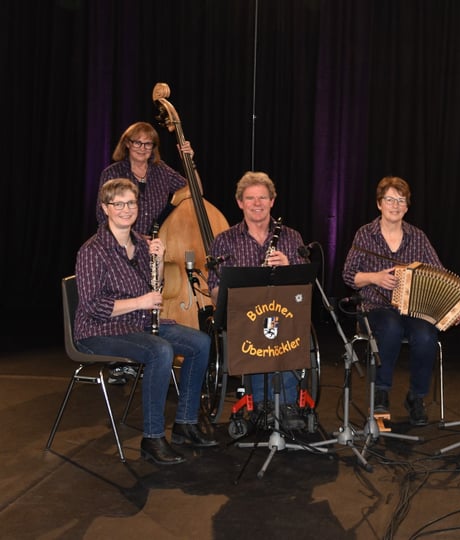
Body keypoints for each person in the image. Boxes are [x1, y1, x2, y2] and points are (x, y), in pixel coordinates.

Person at [74, 178, 217, 466]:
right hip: (98, 330)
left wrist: (160, 259)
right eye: (119, 204)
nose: (126, 209)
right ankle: (152, 439)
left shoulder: (141, 242)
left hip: (137, 322)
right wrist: (141, 304)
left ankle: (185, 423)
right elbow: (93, 307)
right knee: (160, 350)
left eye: (132, 203)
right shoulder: (92, 251)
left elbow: (156, 285)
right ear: (106, 208)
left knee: (201, 342)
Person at [342, 176, 460, 426]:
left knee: (426, 335)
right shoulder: (365, 234)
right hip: (374, 307)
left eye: (401, 200)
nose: (395, 205)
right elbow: (348, 275)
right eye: (389, 199)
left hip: (412, 309)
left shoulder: (417, 237)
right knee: (390, 327)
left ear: (407, 207)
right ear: (379, 204)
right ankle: (381, 391)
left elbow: (439, 273)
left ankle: (416, 397)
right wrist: (375, 278)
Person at [97, 121, 197, 385]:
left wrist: (190, 161)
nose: (142, 148)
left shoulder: (160, 170)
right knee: (125, 298)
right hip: (119, 243)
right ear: (127, 144)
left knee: (149, 295)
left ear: (154, 147)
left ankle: (146, 351)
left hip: (150, 244)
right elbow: (101, 214)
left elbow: (195, 190)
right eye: (137, 142)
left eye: (148, 143)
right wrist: (134, 239)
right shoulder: (113, 171)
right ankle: (121, 358)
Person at [208, 171, 309, 427]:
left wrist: (288, 268)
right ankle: (262, 403)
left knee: (278, 326)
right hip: (243, 317)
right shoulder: (224, 240)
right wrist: (236, 296)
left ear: (272, 201)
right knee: (259, 329)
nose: (257, 203)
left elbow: (305, 287)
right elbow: (214, 289)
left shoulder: (291, 237)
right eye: (250, 198)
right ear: (240, 202)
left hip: (282, 314)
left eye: (262, 198)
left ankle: (286, 404)